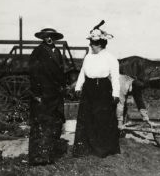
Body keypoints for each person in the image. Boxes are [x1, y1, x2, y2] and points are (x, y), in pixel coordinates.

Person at [72, 21, 121, 157]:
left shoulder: (110, 58)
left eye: (92, 43)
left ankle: (102, 149)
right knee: (86, 117)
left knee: (102, 118)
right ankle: (86, 148)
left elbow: (115, 77)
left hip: (103, 89)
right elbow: (82, 72)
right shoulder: (88, 57)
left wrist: (116, 94)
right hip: (89, 88)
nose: (90, 45)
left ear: (99, 44)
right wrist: (78, 87)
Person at [28, 28, 67, 165]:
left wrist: (63, 86)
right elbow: (33, 73)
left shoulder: (57, 51)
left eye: (52, 36)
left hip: (55, 95)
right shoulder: (38, 52)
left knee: (54, 124)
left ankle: (49, 156)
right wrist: (37, 94)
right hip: (43, 94)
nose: (49, 38)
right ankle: (37, 158)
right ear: (42, 38)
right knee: (41, 124)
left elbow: (61, 72)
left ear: (55, 38)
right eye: (46, 36)